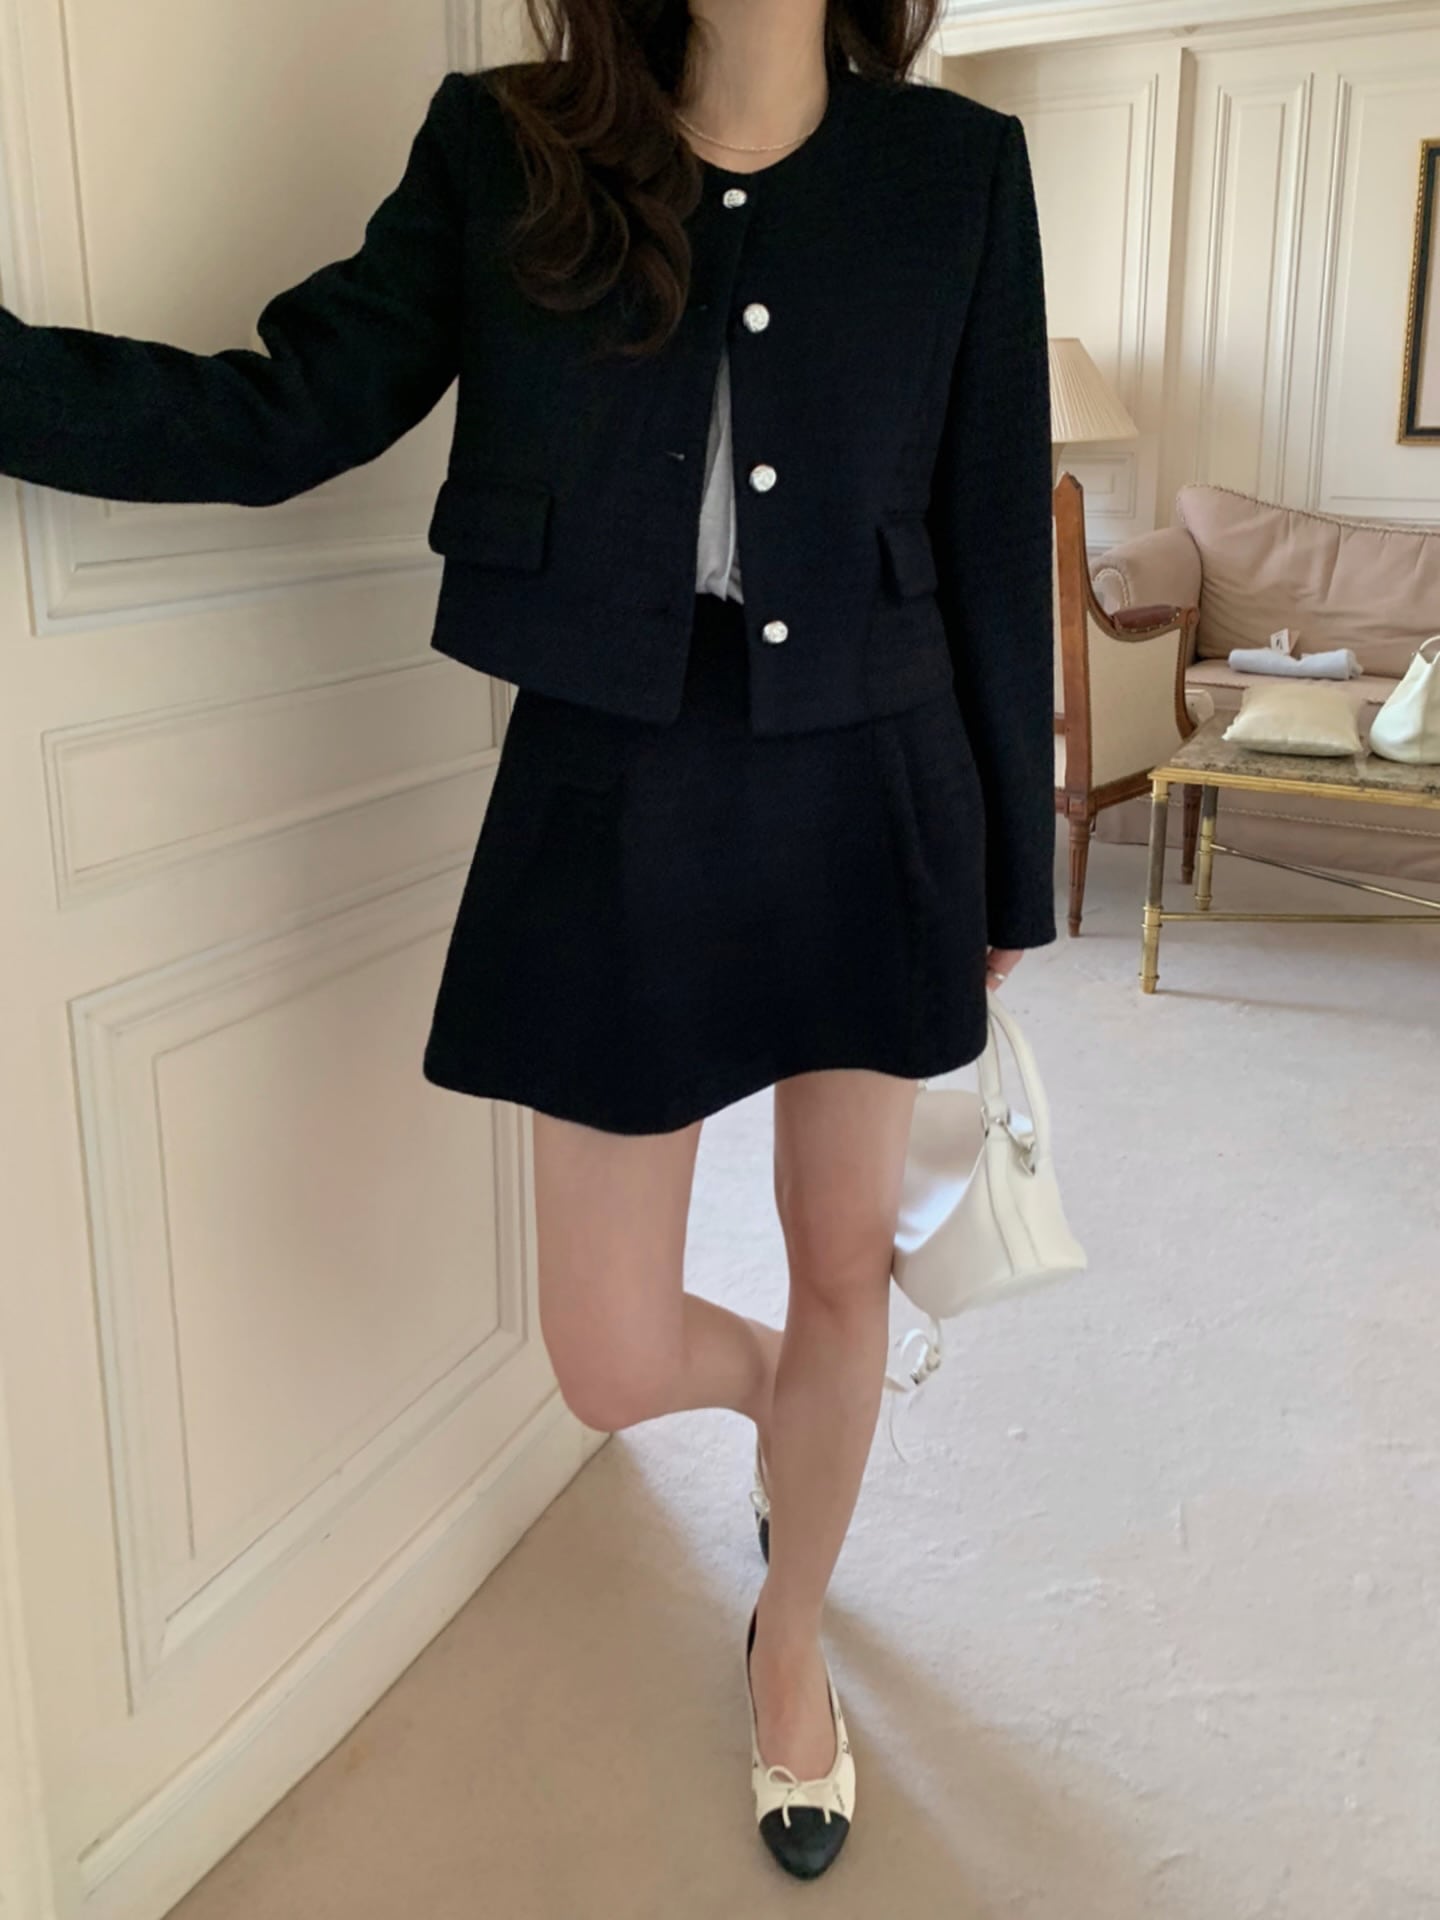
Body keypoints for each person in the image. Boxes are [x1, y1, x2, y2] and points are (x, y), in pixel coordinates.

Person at [0, 0, 1055, 1881]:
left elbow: (989, 520)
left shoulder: (954, 169)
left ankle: (789, 1640)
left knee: (844, 1262)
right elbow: (283, 409)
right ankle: (787, 1406)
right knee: (610, 1350)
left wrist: (1011, 878)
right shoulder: (509, 144)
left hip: (878, 781)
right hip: (613, 786)